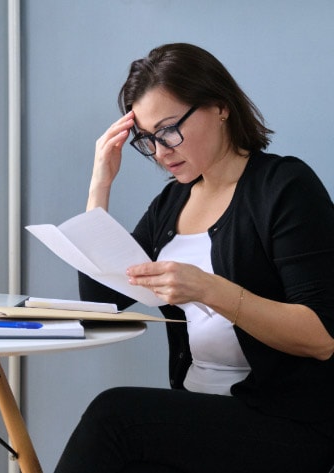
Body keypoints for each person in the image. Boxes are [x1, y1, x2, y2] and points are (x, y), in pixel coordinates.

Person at [54, 43, 334, 473]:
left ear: (219, 108)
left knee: (115, 417)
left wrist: (210, 289)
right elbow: (100, 300)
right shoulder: (173, 201)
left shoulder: (285, 188)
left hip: (285, 423)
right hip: (201, 414)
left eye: (169, 130)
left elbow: (321, 337)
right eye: (147, 140)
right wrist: (100, 185)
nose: (162, 151)